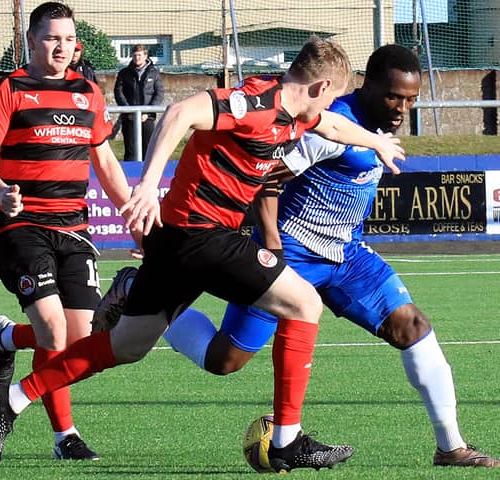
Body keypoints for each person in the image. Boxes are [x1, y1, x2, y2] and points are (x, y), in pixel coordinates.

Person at [0, 36, 406, 468]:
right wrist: (147, 183)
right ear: (320, 86)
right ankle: (286, 440)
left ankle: (11, 400)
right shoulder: (253, 102)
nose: (332, 107)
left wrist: (376, 142)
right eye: (332, 95)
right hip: (205, 234)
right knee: (304, 304)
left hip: (175, 244)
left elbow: (332, 126)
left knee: (125, 347)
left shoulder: (297, 114)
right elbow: (180, 113)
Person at [161, 44, 500, 469]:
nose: (402, 108)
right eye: (394, 96)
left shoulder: (375, 126)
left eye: (411, 99)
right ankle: (149, 301)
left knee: (412, 325)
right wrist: (272, 245)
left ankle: (451, 446)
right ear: (368, 85)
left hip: (346, 255)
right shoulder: (328, 123)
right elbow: (265, 179)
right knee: (224, 360)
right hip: (294, 253)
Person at [0, 2, 140, 463]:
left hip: (75, 230)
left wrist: (134, 216)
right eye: (51, 38)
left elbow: (105, 164)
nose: (61, 47)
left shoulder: (87, 92)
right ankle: (66, 436)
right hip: (20, 226)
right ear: (31, 40)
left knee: (78, 340)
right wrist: (2, 191)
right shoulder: (9, 89)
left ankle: (7, 340)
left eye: (67, 38)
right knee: (53, 327)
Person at [114, 44, 164, 161]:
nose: (137, 58)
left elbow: (159, 93)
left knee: (148, 151)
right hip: (129, 118)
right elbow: (119, 93)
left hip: (148, 118)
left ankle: (147, 177)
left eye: (139, 55)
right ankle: (129, 177)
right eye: (135, 55)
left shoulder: (154, 73)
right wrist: (129, 112)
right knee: (130, 151)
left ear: (145, 56)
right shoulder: (124, 73)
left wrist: (148, 112)